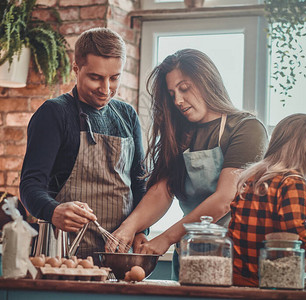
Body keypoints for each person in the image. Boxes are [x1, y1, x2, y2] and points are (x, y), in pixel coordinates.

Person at [111, 49, 268, 280]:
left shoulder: (246, 128)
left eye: (184, 88)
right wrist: (129, 227)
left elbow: (225, 199)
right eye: (172, 93)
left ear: (207, 81)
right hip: (189, 254)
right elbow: (162, 191)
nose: (177, 100)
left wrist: (165, 238)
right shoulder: (179, 133)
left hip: (237, 256)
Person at [19, 28, 147, 259]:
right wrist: (53, 210)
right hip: (62, 257)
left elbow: (140, 185)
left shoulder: (127, 115)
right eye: (96, 77)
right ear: (76, 69)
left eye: (114, 78)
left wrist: (141, 229)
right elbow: (30, 187)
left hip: (119, 257)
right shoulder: (54, 113)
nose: (106, 89)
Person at [228, 113, 306, 286]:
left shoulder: (252, 176)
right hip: (270, 279)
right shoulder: (292, 181)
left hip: (237, 277)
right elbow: (295, 227)